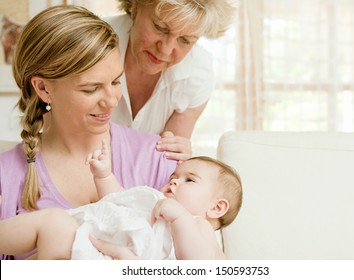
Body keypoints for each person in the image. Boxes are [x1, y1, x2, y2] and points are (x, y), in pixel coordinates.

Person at [0, 5, 177, 260]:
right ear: (43, 88)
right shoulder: (8, 177)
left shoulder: (158, 157)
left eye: (116, 82)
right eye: (91, 89)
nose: (111, 101)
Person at [0, 140, 243, 260]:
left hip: (100, 262)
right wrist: (104, 174)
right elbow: (118, 201)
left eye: (190, 180)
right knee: (53, 221)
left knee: (55, 228)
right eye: (174, 176)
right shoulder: (154, 202)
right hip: (84, 244)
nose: (175, 181)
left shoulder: (198, 226)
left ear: (217, 207)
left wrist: (180, 218)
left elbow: (199, 269)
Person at [106, 0, 236, 159]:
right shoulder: (88, 42)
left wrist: (180, 154)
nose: (165, 49)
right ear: (135, 8)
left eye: (185, 40)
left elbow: (165, 161)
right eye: (160, 28)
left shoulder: (197, 75)